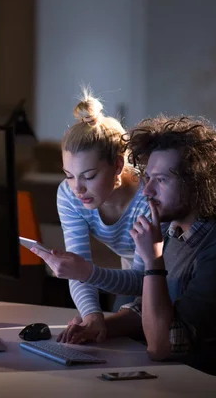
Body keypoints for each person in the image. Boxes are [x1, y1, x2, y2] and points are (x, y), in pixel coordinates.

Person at [33, 115, 216, 379]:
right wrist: (99, 326)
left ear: (198, 185)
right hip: (173, 377)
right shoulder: (176, 230)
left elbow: (161, 346)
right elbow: (147, 310)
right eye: (147, 178)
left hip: (211, 386)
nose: (146, 192)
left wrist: (153, 261)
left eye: (161, 180)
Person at [40, 89, 156, 342]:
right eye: (69, 175)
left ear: (117, 165)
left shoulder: (149, 197)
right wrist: (91, 313)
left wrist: (87, 273)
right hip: (131, 273)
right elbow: (79, 265)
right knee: (103, 335)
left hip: (168, 275)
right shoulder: (70, 196)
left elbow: (145, 279)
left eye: (89, 176)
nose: (77, 188)